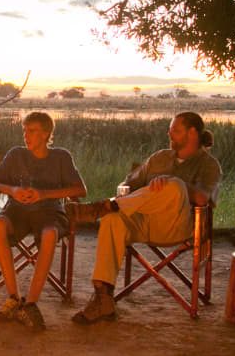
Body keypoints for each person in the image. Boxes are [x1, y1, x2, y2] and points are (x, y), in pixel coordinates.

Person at [72, 111, 221, 325]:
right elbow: (127, 185)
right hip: (143, 223)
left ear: (192, 133)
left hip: (176, 225)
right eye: (170, 130)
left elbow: (203, 198)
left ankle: (103, 207)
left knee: (174, 185)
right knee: (112, 220)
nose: (170, 134)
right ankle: (103, 297)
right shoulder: (159, 157)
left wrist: (172, 183)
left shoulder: (209, 165)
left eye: (176, 131)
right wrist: (136, 193)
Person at [0, 111, 87, 330]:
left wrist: (44, 194)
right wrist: (11, 189)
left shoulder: (60, 157)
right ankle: (14, 297)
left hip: (49, 212)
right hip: (17, 211)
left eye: (32, 131)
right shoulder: (16, 155)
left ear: (46, 133)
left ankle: (30, 304)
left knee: (49, 234)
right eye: (24, 131)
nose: (26, 136)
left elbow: (81, 190)